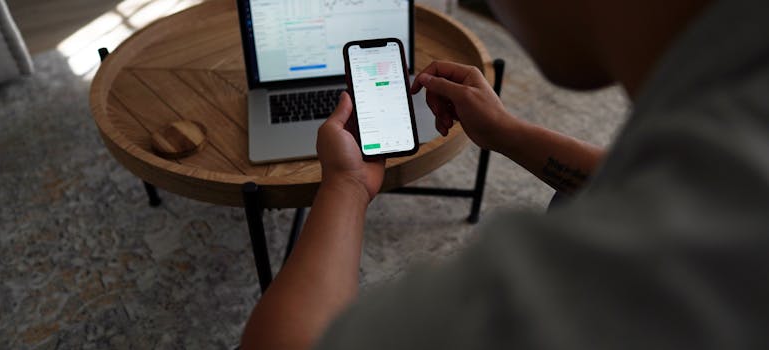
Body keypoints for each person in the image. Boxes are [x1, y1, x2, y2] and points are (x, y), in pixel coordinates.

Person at [241, 0, 769, 348]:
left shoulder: (629, 271)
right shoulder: (728, 148)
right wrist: (507, 133)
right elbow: (642, 186)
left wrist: (346, 184)